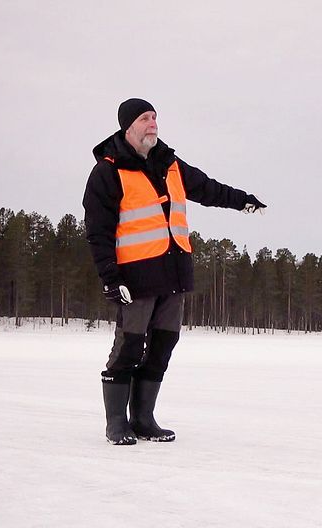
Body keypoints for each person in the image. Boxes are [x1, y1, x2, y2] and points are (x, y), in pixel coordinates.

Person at [83, 98, 266, 445]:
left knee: (163, 345)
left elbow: (208, 188)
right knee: (128, 347)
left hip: (173, 274)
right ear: (128, 126)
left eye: (155, 117)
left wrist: (242, 199)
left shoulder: (171, 164)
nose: (153, 123)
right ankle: (116, 424)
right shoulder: (108, 171)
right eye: (145, 118)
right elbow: (98, 231)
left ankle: (143, 419)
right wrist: (111, 278)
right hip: (135, 278)